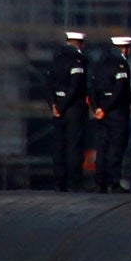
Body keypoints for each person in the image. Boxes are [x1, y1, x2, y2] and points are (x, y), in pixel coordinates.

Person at [44, 30, 89, 191]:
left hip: (58, 109)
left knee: (59, 145)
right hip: (73, 109)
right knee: (73, 146)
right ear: (81, 44)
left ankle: (59, 180)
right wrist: (63, 107)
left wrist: (54, 106)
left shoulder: (56, 60)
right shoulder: (78, 61)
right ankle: (74, 181)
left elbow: (48, 85)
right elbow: (75, 87)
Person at [91, 35, 131, 191]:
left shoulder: (100, 64)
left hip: (101, 112)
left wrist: (97, 108)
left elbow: (93, 88)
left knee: (102, 148)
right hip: (116, 112)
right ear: (124, 48)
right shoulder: (121, 65)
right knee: (116, 147)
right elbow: (119, 91)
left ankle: (99, 181)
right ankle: (113, 181)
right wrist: (106, 108)